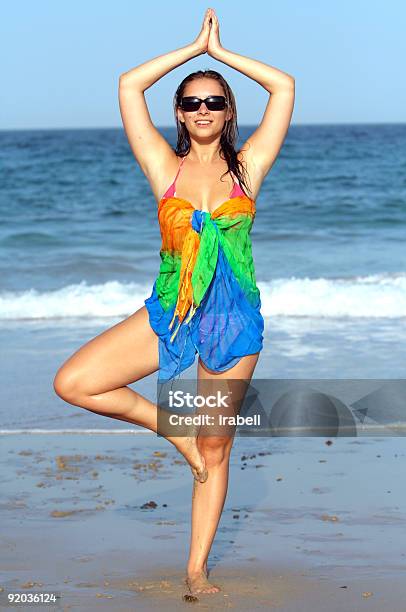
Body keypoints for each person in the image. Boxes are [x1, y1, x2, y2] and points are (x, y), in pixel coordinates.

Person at [53, 7, 295, 599]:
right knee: (76, 382)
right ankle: (172, 431)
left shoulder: (250, 167)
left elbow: (284, 86)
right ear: (179, 114)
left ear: (230, 111)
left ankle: (196, 571)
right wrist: (193, 50)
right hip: (172, 308)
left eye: (215, 102)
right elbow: (129, 84)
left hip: (234, 320)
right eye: (192, 103)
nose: (204, 110)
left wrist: (222, 55)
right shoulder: (163, 164)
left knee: (216, 445)